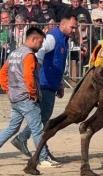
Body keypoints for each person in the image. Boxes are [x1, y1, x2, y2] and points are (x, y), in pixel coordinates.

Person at [11, 16, 78, 161]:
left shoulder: (64, 40)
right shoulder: (52, 38)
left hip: (51, 83)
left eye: (75, 27)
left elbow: (58, 63)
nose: (74, 30)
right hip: (44, 83)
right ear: (63, 24)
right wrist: (38, 68)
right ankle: (37, 149)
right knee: (43, 118)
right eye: (72, 27)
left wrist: (59, 83)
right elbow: (39, 52)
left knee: (41, 118)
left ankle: (27, 141)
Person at [0, 27, 62, 167]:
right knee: (37, 128)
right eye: (40, 42)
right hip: (26, 98)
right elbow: (29, 76)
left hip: (15, 98)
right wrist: (33, 93)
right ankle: (43, 158)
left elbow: (2, 73)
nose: (41, 46)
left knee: (12, 128)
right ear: (33, 39)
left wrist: (7, 89)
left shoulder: (14, 53)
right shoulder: (28, 55)